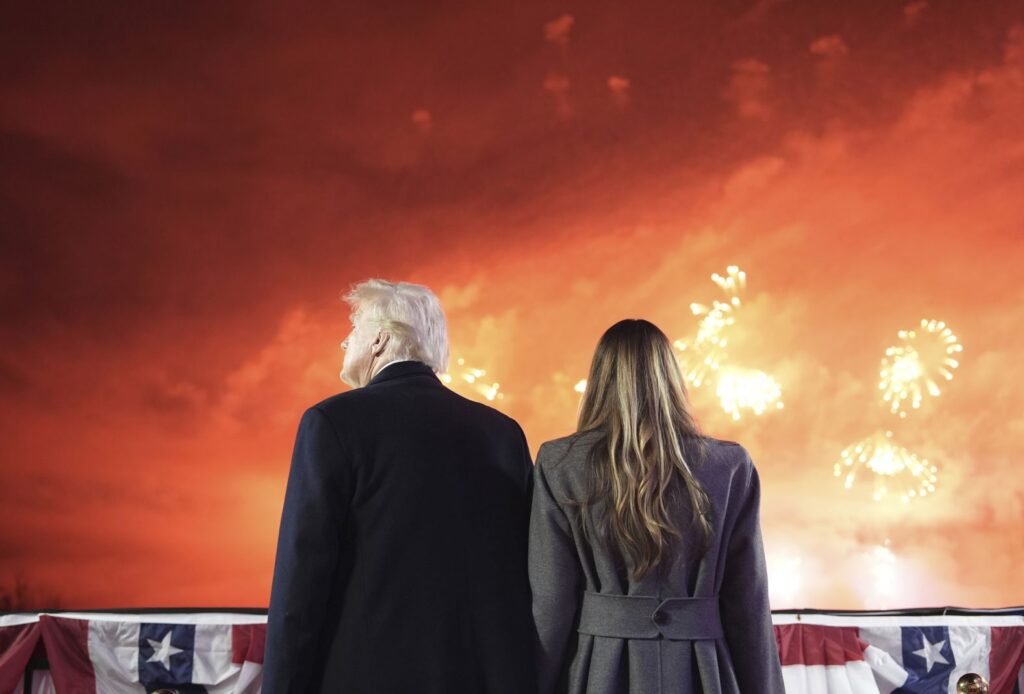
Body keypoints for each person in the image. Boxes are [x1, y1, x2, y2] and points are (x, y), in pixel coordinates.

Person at [262, 279, 536, 694]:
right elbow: (527, 570)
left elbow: (301, 582)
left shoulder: (332, 423)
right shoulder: (503, 433)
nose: (343, 342)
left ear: (379, 340)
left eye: (352, 330)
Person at [529, 318, 785, 694]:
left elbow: (551, 603)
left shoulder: (560, 463)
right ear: (671, 379)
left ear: (600, 379)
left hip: (600, 671)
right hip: (703, 671)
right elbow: (747, 604)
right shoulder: (730, 466)